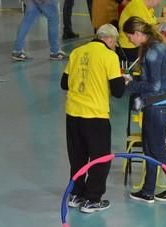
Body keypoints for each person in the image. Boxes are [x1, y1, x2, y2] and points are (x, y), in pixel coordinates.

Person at [61, 24, 126, 213]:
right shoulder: (110, 56)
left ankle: (76, 194)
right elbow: (118, 91)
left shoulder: (77, 52)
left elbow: (64, 83)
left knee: (78, 157)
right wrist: (123, 79)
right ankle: (93, 199)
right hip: (95, 115)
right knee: (100, 159)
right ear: (111, 40)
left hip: (73, 113)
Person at [123, 16, 166, 203]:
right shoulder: (159, 46)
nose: (129, 40)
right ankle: (148, 190)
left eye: (129, 36)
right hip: (160, 105)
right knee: (149, 149)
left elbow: (154, 86)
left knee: (157, 150)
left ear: (138, 34)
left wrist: (131, 84)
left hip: (157, 106)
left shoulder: (152, 52)